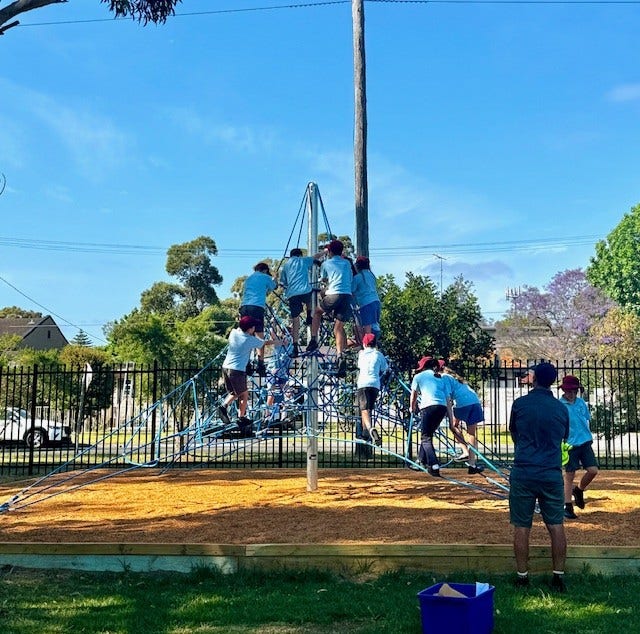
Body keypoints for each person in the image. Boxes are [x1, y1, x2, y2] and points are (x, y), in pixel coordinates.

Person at [508, 362, 570, 592]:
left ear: (535, 379)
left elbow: (514, 432)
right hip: (551, 472)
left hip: (524, 470)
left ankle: (522, 576)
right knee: (556, 525)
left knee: (522, 526)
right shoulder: (561, 408)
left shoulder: (520, 404)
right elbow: (564, 435)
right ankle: (558, 577)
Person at [219, 316, 281, 436]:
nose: (254, 329)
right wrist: (279, 342)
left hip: (226, 367)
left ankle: (226, 409)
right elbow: (265, 343)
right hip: (237, 370)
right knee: (244, 393)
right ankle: (239, 417)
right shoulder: (248, 339)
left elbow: (240, 328)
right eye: (253, 327)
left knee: (235, 392)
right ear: (250, 329)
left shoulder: (233, 333)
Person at [306, 240, 353, 378]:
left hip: (334, 294)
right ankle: (340, 356)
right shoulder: (347, 263)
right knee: (338, 328)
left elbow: (324, 279)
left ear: (330, 252)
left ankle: (313, 340)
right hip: (347, 296)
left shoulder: (326, 263)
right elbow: (349, 278)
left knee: (317, 312)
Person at [559, 375, 598, 519]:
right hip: (570, 444)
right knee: (569, 475)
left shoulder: (581, 403)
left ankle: (579, 490)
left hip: (585, 441)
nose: (571, 394)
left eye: (574, 391)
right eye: (569, 391)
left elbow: (586, 420)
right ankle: (568, 506)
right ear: (564, 390)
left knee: (593, 470)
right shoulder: (560, 405)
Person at [409, 356, 455, 477]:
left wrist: (412, 407)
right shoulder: (439, 378)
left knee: (425, 438)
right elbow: (447, 398)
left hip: (428, 407)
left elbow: (413, 395)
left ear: (423, 367)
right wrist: (450, 417)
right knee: (428, 435)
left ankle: (434, 464)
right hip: (441, 407)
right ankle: (420, 460)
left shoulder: (418, 377)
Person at [442, 368, 486, 475]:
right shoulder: (457, 380)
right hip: (475, 402)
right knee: (471, 433)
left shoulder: (444, 377)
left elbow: (447, 397)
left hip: (463, 403)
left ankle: (465, 451)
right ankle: (472, 464)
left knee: (454, 426)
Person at [279, 248, 320, 357]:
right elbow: (315, 256)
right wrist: (325, 251)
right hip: (305, 291)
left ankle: (295, 346)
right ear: (300, 255)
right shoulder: (303, 260)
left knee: (295, 320)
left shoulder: (286, 266)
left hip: (292, 294)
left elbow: (283, 282)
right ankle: (309, 315)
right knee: (310, 294)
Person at [354, 333, 389, 458]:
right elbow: (385, 369)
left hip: (363, 383)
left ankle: (370, 429)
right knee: (368, 410)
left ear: (364, 344)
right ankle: (365, 432)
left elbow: (359, 366)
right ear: (375, 344)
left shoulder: (361, 354)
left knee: (364, 410)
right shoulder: (379, 355)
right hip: (375, 384)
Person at [239, 262, 277, 375]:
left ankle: (246, 363)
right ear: (265, 270)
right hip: (257, 307)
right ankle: (261, 364)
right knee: (259, 337)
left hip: (244, 307)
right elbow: (274, 287)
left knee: (247, 336)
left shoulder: (248, 279)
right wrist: (274, 279)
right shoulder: (265, 277)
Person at [351, 256, 381, 341]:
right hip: (376, 302)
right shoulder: (371, 276)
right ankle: (375, 343)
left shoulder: (358, 277)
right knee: (375, 325)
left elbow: (351, 290)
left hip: (366, 304)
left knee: (367, 328)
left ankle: (368, 346)